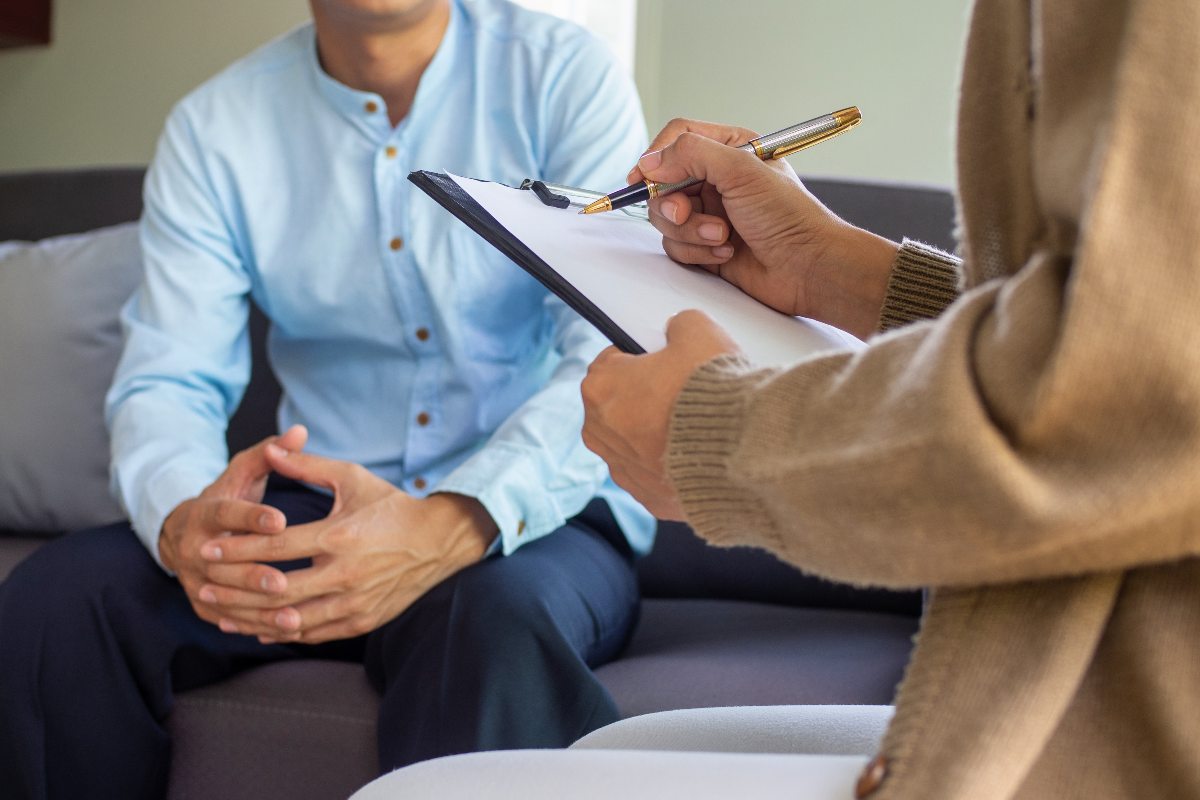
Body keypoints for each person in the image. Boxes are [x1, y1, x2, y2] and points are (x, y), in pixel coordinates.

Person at [347, 0, 1200, 798]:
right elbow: (1127, 325)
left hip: (1133, 721)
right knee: (604, 759)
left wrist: (722, 438)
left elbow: (1138, 397)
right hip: (1051, 674)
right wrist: (840, 272)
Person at [0, 0, 655, 797]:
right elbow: (167, 379)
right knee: (59, 600)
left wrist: (453, 521)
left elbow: (611, 356)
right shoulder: (216, 128)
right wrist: (183, 526)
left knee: (487, 619)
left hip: (532, 518)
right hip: (321, 509)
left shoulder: (561, 75)